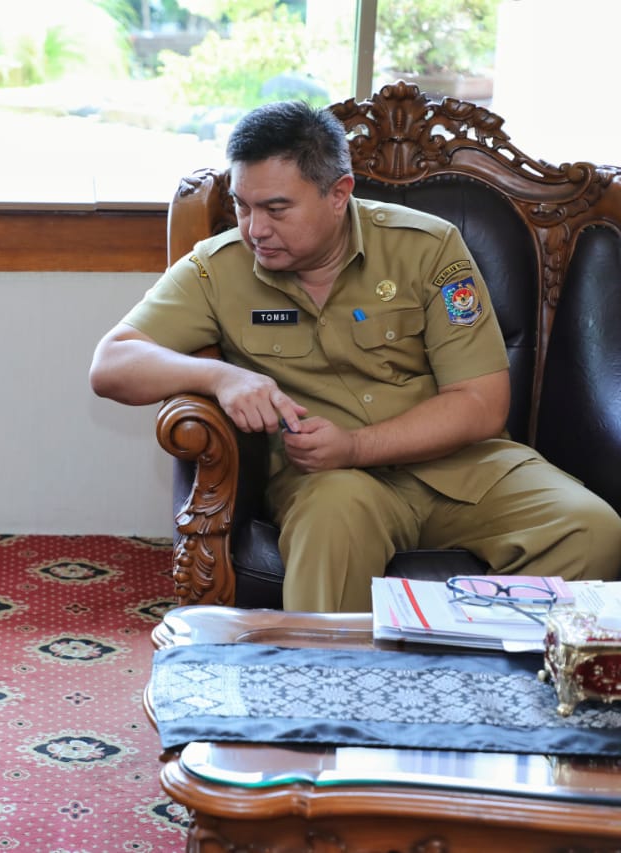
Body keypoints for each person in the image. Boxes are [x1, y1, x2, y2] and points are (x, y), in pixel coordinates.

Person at [89, 100, 621, 613]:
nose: (255, 229)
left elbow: (482, 403)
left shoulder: (427, 247)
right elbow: (112, 365)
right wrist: (219, 376)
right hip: (330, 482)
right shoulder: (217, 269)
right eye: (242, 205)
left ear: (339, 193)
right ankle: (329, 696)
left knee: (592, 531)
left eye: (276, 208)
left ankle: (471, 667)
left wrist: (358, 444)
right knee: (331, 524)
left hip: (460, 468)